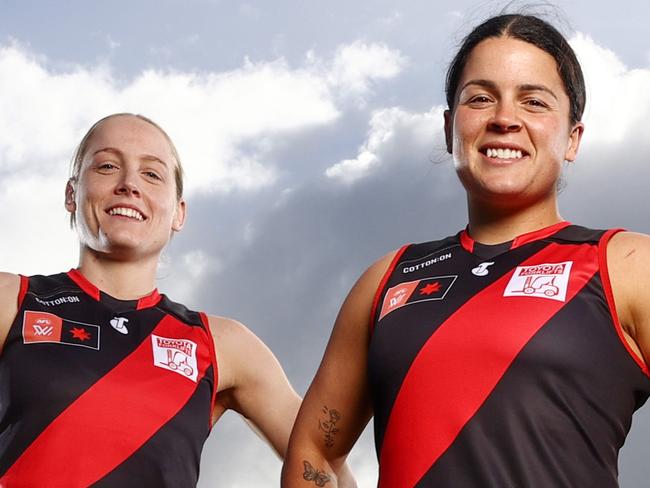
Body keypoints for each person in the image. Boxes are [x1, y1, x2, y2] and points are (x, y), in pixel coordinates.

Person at [282, 12, 650, 488]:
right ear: (450, 127)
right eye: (480, 98)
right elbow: (315, 451)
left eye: (534, 102)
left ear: (573, 137)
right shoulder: (387, 280)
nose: (504, 119)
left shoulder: (625, 265)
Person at [0, 113, 316, 486]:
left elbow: (322, 462)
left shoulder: (223, 345)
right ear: (72, 194)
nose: (128, 184)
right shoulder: (13, 301)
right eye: (107, 165)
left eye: (152, 174)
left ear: (178, 212)